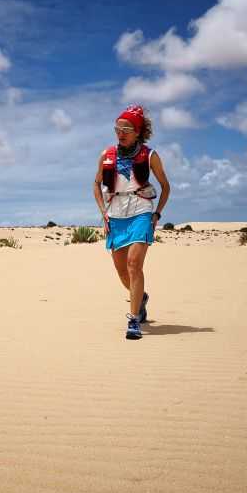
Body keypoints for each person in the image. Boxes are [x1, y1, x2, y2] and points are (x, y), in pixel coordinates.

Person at [94, 105, 170, 340]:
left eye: (127, 128)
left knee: (134, 264)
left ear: (137, 131)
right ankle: (141, 298)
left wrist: (156, 214)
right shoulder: (106, 155)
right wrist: (103, 213)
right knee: (121, 270)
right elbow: (96, 185)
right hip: (115, 213)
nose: (121, 132)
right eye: (118, 128)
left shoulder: (150, 155)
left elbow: (166, 187)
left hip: (141, 210)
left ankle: (134, 320)